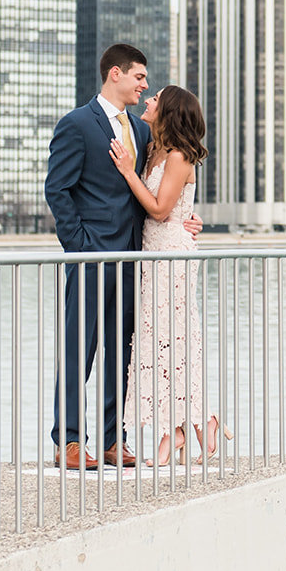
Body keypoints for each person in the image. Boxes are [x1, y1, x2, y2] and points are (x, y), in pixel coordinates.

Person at [43, 44, 202, 469]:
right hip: (91, 257)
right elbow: (57, 190)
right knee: (81, 349)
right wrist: (78, 246)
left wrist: (186, 217)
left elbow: (160, 187)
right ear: (115, 73)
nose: (145, 85)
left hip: (139, 261)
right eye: (139, 77)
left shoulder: (145, 130)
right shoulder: (77, 124)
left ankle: (116, 439)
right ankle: (70, 441)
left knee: (124, 353)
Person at [110, 86, 229, 466]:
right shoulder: (152, 149)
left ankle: (194, 424)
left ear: (169, 111)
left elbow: (161, 210)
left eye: (155, 99)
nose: (148, 101)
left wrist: (128, 173)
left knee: (173, 339)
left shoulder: (178, 157)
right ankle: (180, 427)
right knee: (156, 339)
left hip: (173, 254)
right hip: (152, 253)